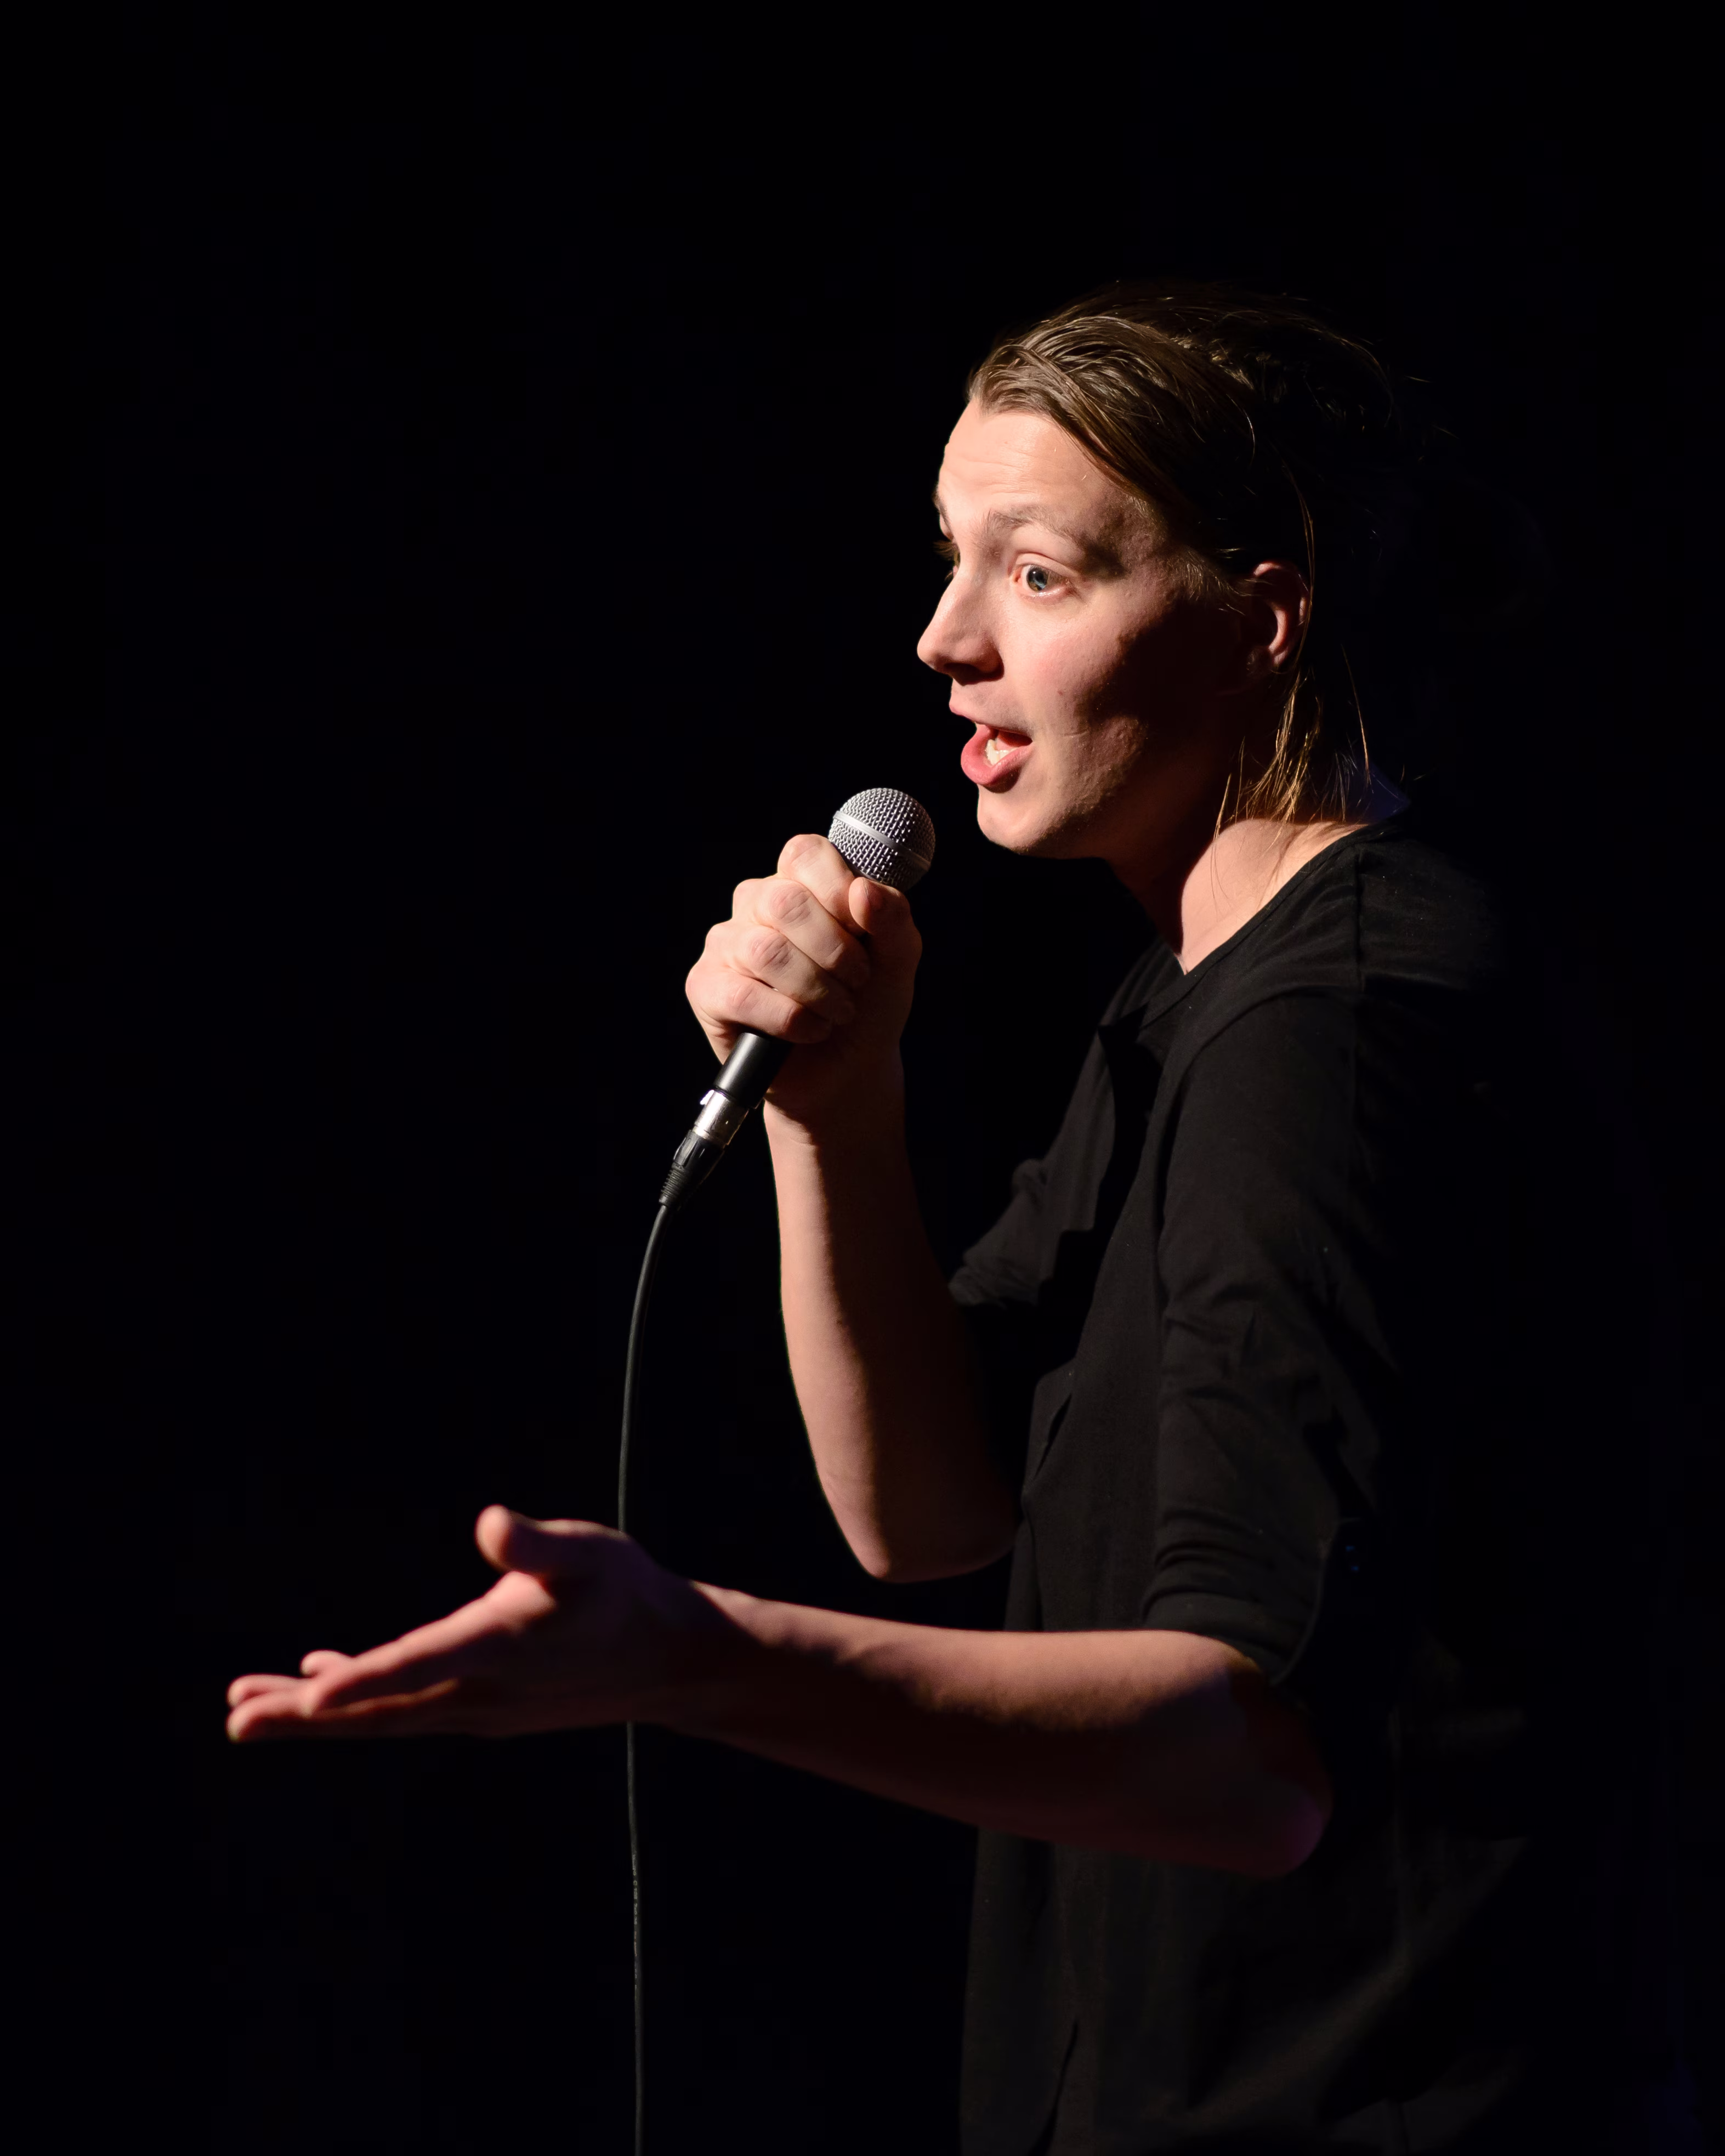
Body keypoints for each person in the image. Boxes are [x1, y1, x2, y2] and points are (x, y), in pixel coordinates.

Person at [226, 288, 1692, 2151]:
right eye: (951, 558)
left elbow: (1247, 1759)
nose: (946, 639)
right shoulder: (1200, 994)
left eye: (1042, 574)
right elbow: (927, 1507)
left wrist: (698, 1657)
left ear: (1265, 617)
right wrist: (832, 1108)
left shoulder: (1340, 1026)